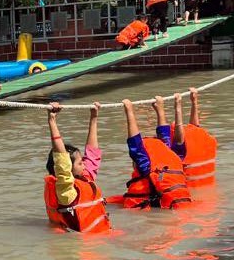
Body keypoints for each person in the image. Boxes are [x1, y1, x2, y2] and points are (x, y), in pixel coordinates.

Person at [44, 101, 110, 233]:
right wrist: (52, 120)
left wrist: (94, 117)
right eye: (80, 163)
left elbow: (93, 153)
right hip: (87, 247)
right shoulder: (66, 191)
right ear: (69, 169)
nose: (84, 164)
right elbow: (61, 160)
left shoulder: (84, 177)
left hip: (102, 236)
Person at [119, 97, 191, 209]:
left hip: (169, 209)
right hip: (184, 203)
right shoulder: (172, 156)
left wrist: (129, 111)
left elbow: (134, 142)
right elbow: (166, 137)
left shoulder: (146, 167)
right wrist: (160, 110)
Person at [171, 88, 218, 187]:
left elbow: (179, 133)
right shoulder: (205, 139)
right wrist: (194, 101)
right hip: (211, 196)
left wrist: (178, 107)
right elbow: (195, 126)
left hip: (192, 196)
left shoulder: (182, 147)